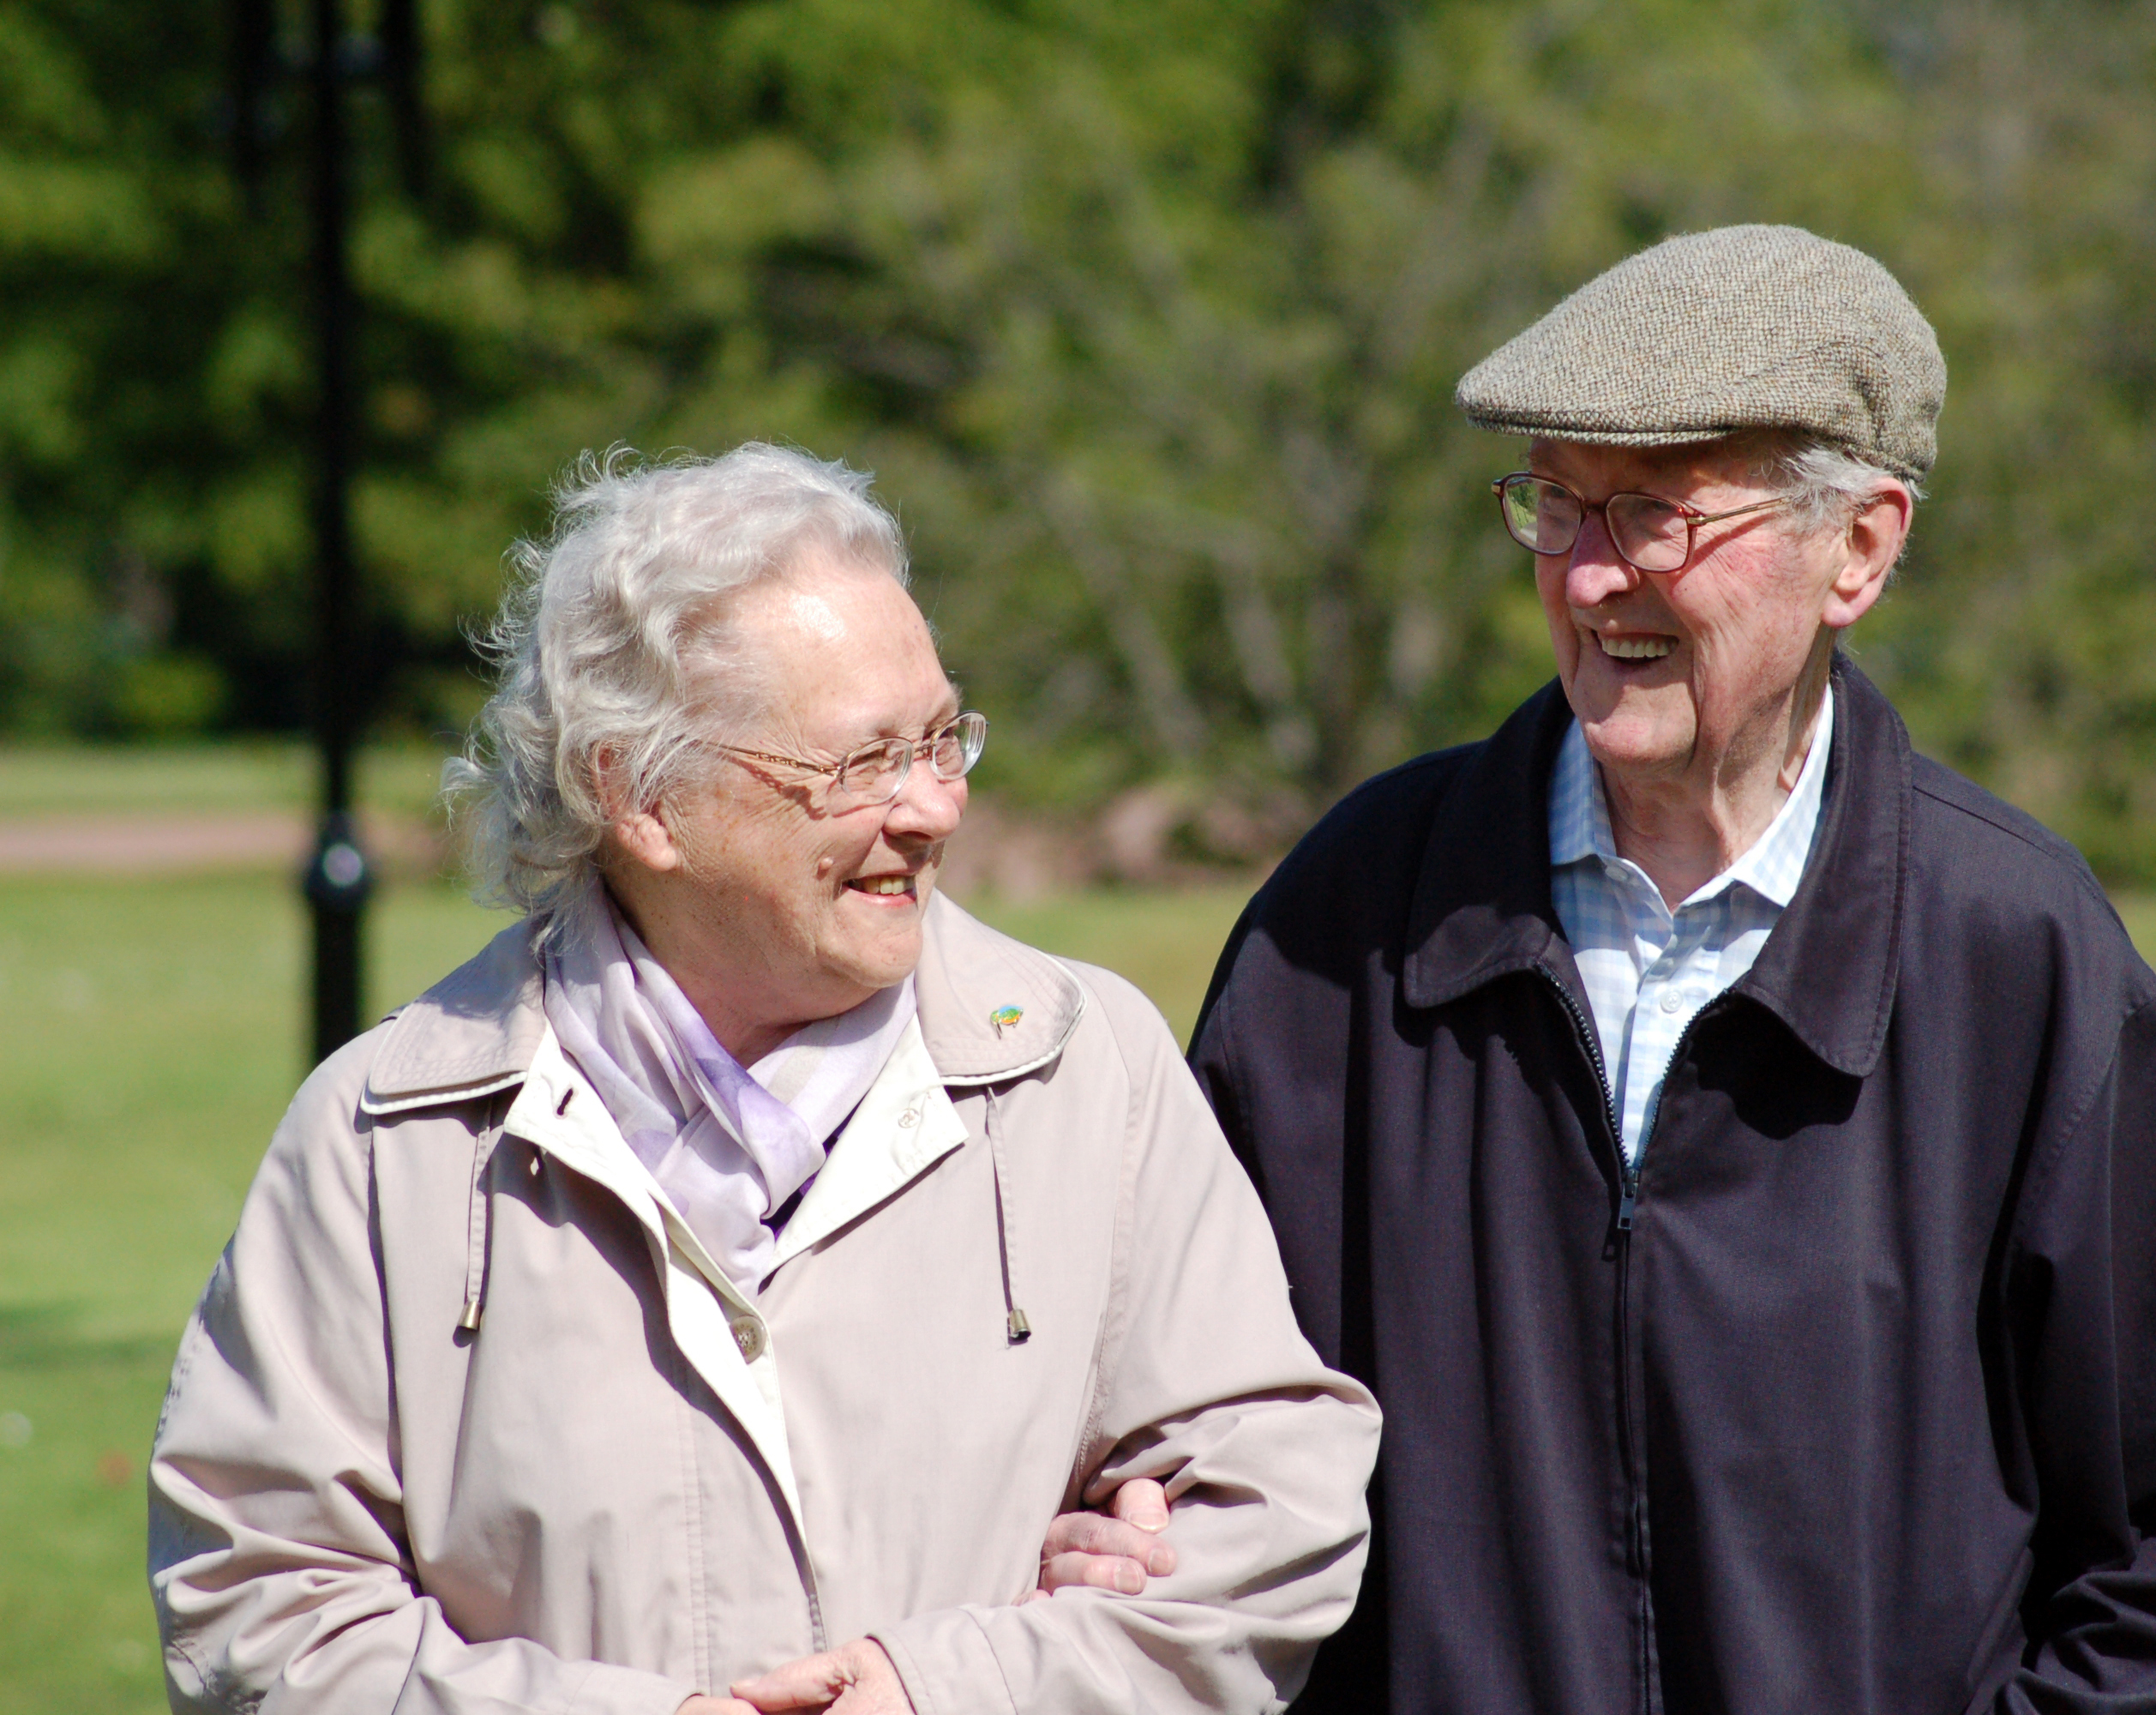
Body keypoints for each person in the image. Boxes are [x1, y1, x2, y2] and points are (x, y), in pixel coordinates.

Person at [1067, 226, 2156, 1710]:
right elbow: (1172, 1424)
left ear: (1859, 546)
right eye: (1560, 505)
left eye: (1658, 516)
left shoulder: (2016, 954)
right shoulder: (1352, 918)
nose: (1593, 581)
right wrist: (1131, 1533)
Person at [147, 442, 1379, 1715]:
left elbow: (1270, 1497)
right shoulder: (390, 1132)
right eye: (862, 764)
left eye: (943, 739)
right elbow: (257, 1602)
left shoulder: (1084, 1069)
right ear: (643, 799)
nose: (934, 809)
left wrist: (957, 1690)